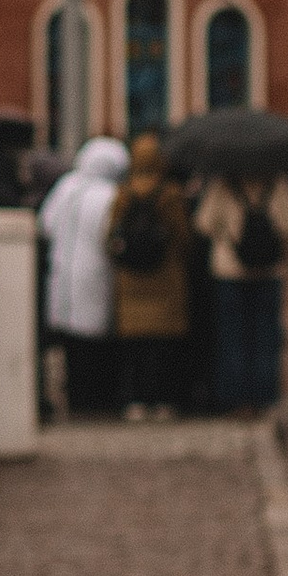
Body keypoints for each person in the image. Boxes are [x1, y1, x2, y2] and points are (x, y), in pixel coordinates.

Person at [193, 166, 288, 416]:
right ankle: (262, 396)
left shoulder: (222, 183)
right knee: (265, 335)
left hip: (229, 271)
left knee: (232, 335)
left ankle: (235, 398)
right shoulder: (278, 183)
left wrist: (227, 233)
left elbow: (203, 224)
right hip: (269, 271)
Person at [38, 133, 128, 418]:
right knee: (96, 344)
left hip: (62, 275)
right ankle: (95, 402)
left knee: (72, 344)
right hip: (96, 275)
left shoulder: (66, 187)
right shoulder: (110, 195)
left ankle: (77, 400)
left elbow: (45, 225)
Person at [104, 133, 192, 413]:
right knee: (163, 348)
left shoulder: (122, 194)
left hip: (131, 281)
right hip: (166, 279)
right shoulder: (171, 194)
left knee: (134, 348)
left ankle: (135, 400)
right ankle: (163, 400)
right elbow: (183, 237)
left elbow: (110, 237)